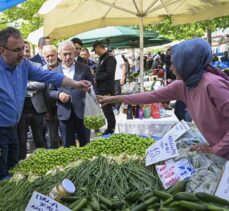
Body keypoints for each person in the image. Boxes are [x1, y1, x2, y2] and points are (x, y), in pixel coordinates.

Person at [97, 38, 229, 160]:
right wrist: (114, 99)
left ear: (189, 63)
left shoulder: (213, 85)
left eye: (175, 63)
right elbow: (150, 96)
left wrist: (214, 150)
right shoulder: (183, 85)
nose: (171, 68)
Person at [0, 27, 91, 180]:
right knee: (2, 174)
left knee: (12, 170)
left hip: (13, 128)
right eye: (17, 50)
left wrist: (75, 84)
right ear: (2, 50)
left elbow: (49, 76)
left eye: (23, 48)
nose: (22, 53)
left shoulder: (24, 65)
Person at [50, 41, 94, 147]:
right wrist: (58, 94)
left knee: (86, 145)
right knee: (68, 146)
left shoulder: (85, 68)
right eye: (65, 54)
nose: (68, 57)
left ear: (74, 53)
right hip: (64, 113)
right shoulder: (54, 72)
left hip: (82, 112)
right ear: (59, 55)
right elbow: (50, 91)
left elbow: (93, 88)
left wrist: (89, 89)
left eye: (70, 53)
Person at [92, 40, 116, 135]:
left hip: (106, 88)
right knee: (105, 109)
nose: (95, 52)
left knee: (107, 109)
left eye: (95, 50)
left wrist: (96, 79)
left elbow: (109, 73)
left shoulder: (110, 58)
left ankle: (111, 129)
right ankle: (109, 128)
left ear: (98, 47)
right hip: (101, 88)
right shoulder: (103, 58)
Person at [42, 45, 61, 149]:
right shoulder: (41, 71)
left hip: (64, 108)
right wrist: (44, 110)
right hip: (49, 110)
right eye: (47, 56)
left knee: (66, 136)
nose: (50, 58)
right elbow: (40, 93)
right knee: (52, 139)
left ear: (57, 55)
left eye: (52, 55)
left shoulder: (64, 67)